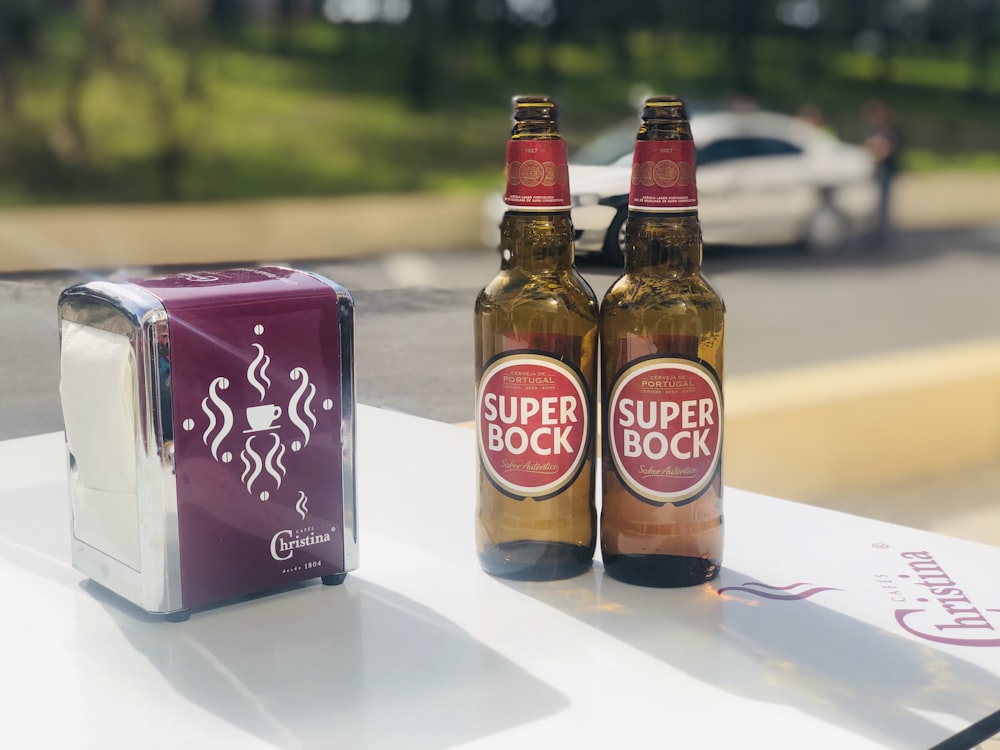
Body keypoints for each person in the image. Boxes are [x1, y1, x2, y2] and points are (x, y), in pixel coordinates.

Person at [862, 99, 901, 245]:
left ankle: (884, 235)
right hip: (879, 171)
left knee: (883, 205)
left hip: (885, 170)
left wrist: (873, 153)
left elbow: (885, 150)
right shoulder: (878, 130)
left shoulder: (887, 130)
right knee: (877, 205)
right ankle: (879, 233)